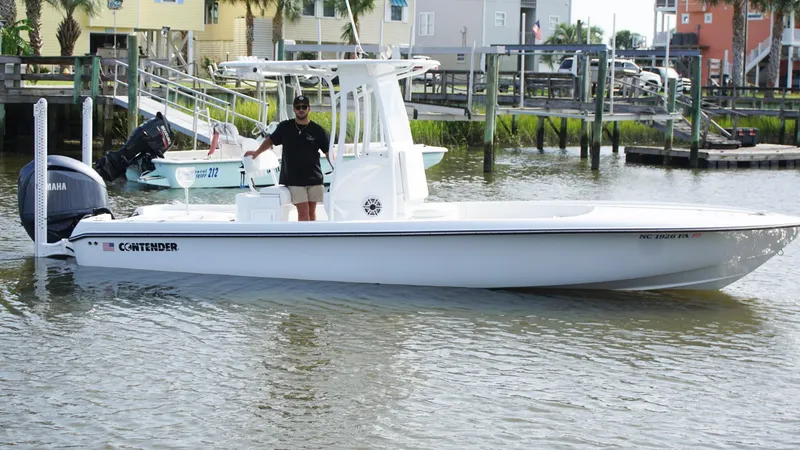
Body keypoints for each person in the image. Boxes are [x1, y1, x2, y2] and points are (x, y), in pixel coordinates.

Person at [244, 95, 332, 221]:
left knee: (312, 211)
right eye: (298, 107)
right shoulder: (285, 127)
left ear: (309, 109)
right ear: (294, 109)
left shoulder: (318, 130)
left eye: (304, 107)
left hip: (314, 177)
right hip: (294, 179)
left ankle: (312, 239)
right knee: (303, 212)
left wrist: (337, 168)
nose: (301, 109)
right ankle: (304, 238)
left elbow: (328, 152)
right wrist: (257, 152)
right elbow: (271, 140)